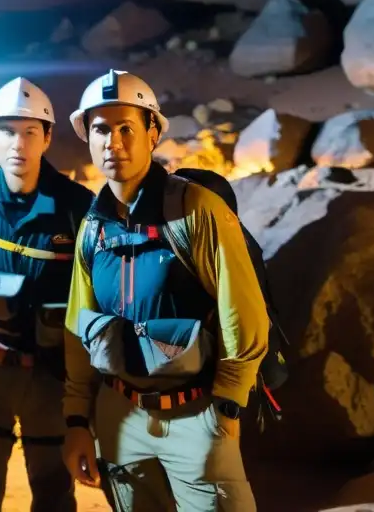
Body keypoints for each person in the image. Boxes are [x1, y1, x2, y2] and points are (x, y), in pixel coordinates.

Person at [61, 69, 269, 511]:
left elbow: (243, 313)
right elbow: (78, 327)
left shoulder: (196, 211)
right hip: (120, 416)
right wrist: (78, 418)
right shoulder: (93, 228)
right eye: (100, 129)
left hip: (196, 413)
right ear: (87, 137)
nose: (112, 143)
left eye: (126, 128)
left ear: (153, 132)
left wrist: (228, 405)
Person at [0, 77, 93, 512]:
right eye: (6, 131)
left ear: (47, 137)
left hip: (54, 378)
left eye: (29, 132)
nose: (17, 144)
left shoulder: (77, 208)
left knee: (53, 491)